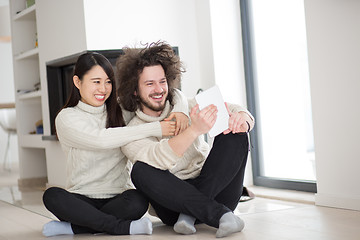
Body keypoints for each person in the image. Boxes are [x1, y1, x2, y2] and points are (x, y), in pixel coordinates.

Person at [41, 52, 189, 237]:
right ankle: (121, 227)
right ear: (78, 82)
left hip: (120, 197)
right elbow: (101, 139)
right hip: (81, 198)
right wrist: (156, 128)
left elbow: (169, 93)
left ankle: (76, 228)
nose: (103, 88)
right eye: (96, 82)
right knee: (52, 196)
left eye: (108, 81)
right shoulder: (66, 118)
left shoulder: (121, 110)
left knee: (139, 199)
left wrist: (182, 111)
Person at [116, 41, 255, 238]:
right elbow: (159, 158)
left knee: (236, 133)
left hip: (217, 192)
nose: (158, 89)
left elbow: (235, 109)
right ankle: (218, 215)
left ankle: (190, 214)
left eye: (162, 81)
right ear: (135, 90)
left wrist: (244, 119)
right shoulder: (132, 133)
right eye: (149, 84)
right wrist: (194, 130)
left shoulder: (188, 105)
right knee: (141, 171)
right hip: (172, 205)